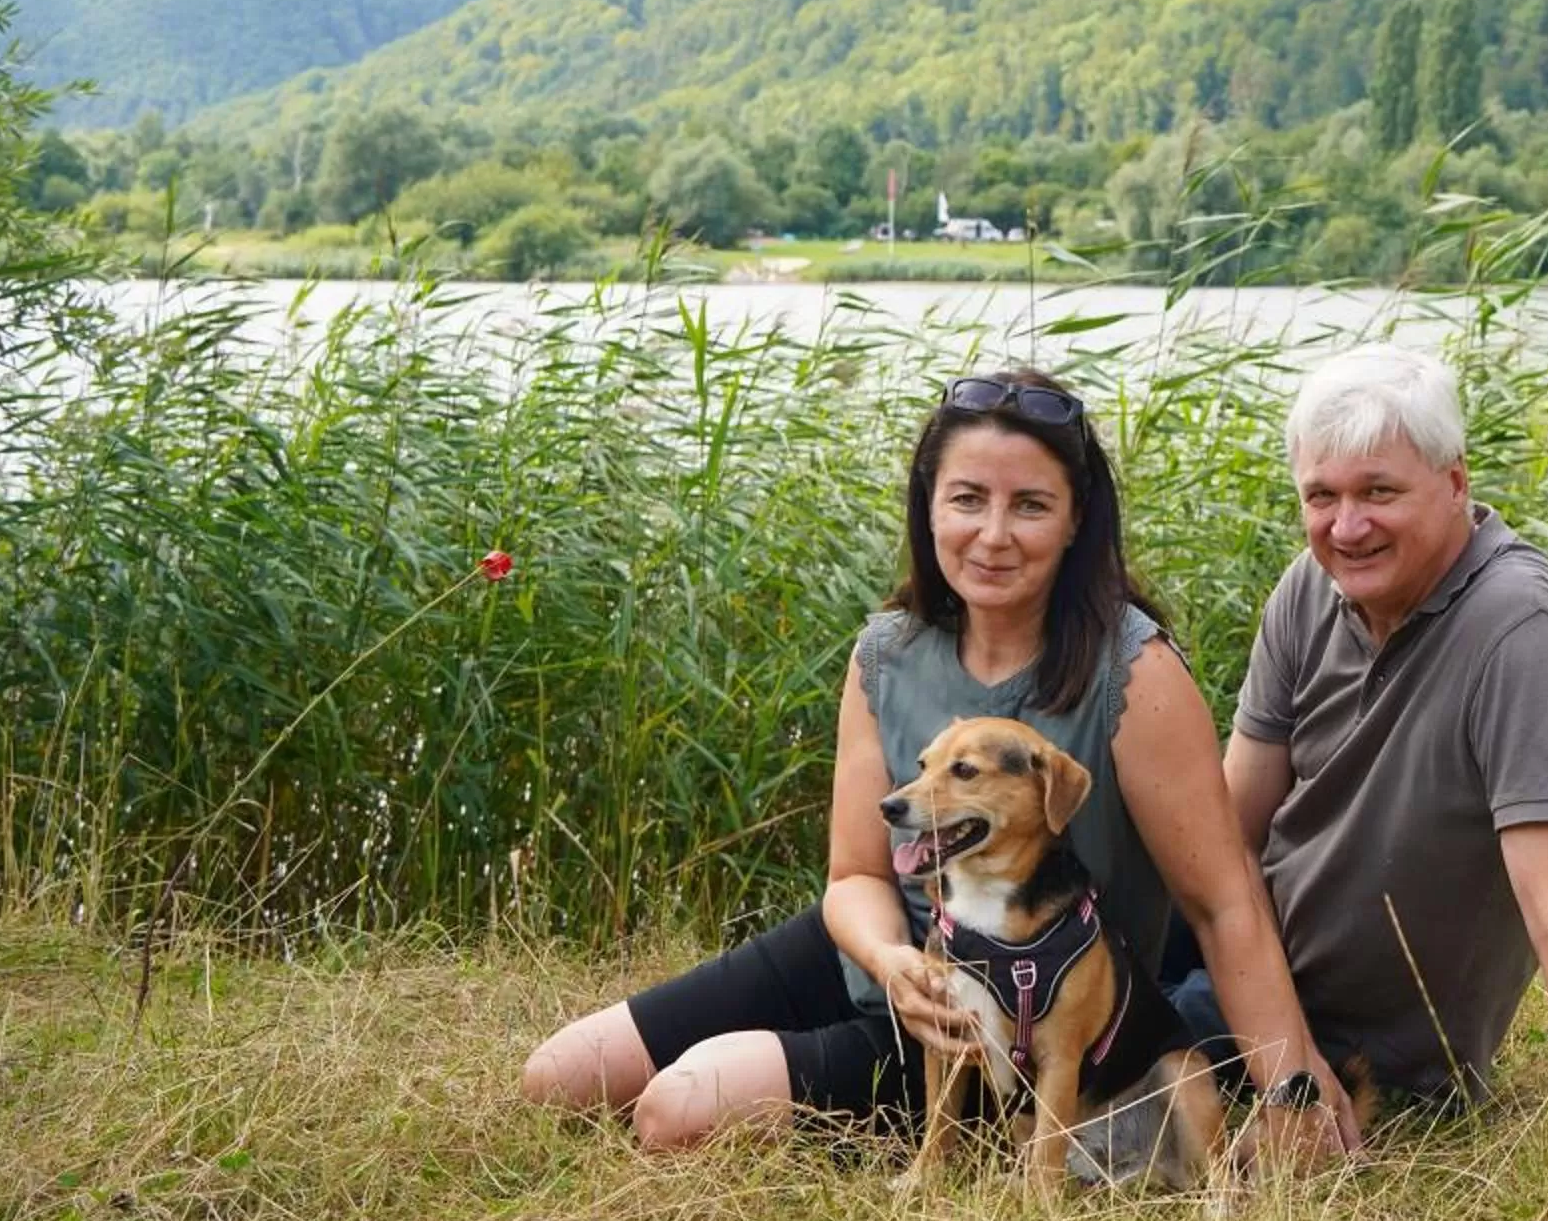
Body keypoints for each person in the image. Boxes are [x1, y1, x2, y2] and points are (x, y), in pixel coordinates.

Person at [523, 367, 1356, 1163]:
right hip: (893, 959)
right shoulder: (887, 652)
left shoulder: (1133, 672)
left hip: (1015, 1009)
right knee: (558, 1079)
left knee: (678, 1110)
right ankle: (774, 1070)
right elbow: (855, 874)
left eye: (1030, 505)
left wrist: (1289, 1090)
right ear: (928, 508)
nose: (992, 535)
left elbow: (1221, 905)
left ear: (1075, 521)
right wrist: (892, 964)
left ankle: (971, 1131)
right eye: (967, 500)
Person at [1176, 343, 1548, 1168]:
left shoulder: (1520, 632)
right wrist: (1280, 1056)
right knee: (1030, 1011)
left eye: (1378, 492)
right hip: (1251, 984)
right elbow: (1227, 847)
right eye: (1321, 496)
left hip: (1373, 1051)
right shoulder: (1308, 587)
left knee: (1064, 1101)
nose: (1346, 527)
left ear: (1456, 482)